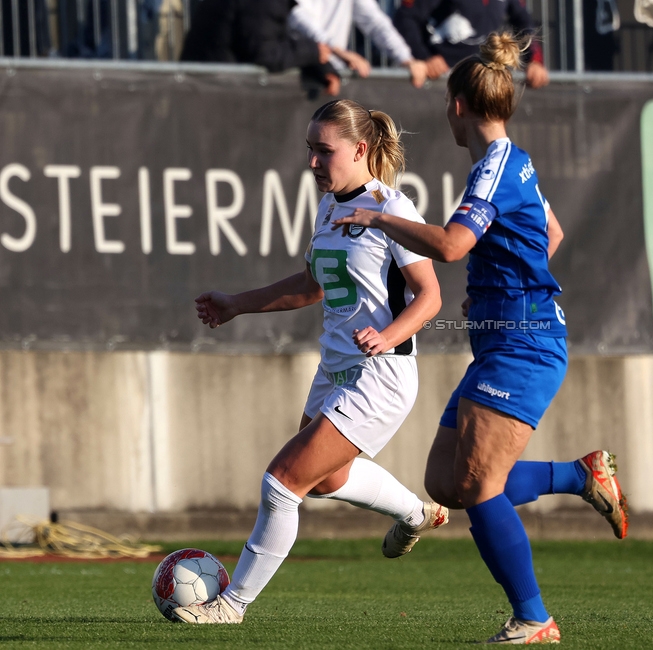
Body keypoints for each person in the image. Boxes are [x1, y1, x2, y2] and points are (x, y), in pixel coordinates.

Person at [332, 32, 628, 644]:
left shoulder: (493, 170)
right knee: (445, 482)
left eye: (447, 104)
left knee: (479, 485)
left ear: (459, 106)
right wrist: (497, 286)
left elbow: (448, 246)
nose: (445, 114)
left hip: (525, 344)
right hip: (503, 338)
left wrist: (379, 216)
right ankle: (581, 476)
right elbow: (552, 232)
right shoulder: (514, 162)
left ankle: (533, 617)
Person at [173, 99, 448, 624]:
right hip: (336, 368)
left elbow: (430, 296)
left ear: (360, 150)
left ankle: (231, 605)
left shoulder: (392, 208)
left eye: (325, 151)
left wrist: (388, 335)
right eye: (310, 151)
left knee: (282, 483)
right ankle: (416, 513)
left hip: (381, 374)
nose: (314, 163)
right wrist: (237, 304)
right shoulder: (329, 207)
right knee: (325, 480)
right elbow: (311, 286)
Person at [180, 0, 342, 95]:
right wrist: (313, 53)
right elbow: (265, 52)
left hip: (211, 90)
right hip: (214, 93)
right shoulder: (263, 3)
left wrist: (320, 66)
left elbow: (275, 36)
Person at [392, 0, 550, 88]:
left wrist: (535, 61)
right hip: (439, 82)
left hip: (482, 80)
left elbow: (524, 22)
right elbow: (405, 18)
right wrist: (425, 57)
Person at [288, 0, 429, 90]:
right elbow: (297, 18)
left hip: (334, 76)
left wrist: (406, 59)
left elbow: (375, 23)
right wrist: (339, 51)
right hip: (290, 77)